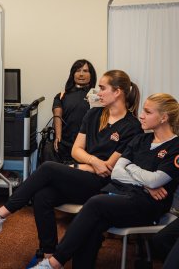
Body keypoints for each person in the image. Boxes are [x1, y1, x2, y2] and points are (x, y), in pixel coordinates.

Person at [0, 70, 142, 264]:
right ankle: (48, 255)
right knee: (42, 196)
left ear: (117, 92)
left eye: (102, 88)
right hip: (83, 176)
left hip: (102, 186)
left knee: (48, 168)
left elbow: (108, 168)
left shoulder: (132, 126)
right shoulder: (93, 114)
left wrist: (82, 164)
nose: (97, 92)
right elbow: (76, 150)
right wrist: (90, 162)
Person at [32, 93, 179, 269]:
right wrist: (144, 180)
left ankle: (54, 263)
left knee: (96, 203)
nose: (141, 115)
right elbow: (116, 172)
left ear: (164, 117)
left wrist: (130, 168)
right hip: (123, 194)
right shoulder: (141, 138)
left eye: (147, 112)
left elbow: (156, 180)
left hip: (148, 205)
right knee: (93, 225)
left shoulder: (175, 146)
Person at [52, 59, 97, 163]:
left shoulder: (97, 96)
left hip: (88, 147)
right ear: (73, 74)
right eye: (78, 70)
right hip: (65, 145)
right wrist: (58, 136)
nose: (81, 74)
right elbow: (57, 114)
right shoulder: (61, 96)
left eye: (85, 71)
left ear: (91, 75)